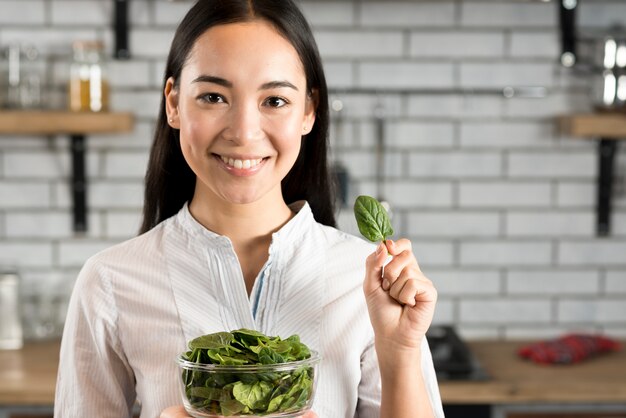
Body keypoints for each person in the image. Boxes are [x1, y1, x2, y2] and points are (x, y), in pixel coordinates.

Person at [54, 1, 444, 417]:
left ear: (309, 110)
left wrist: (399, 350)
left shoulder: (365, 280)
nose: (243, 132)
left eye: (274, 100)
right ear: (173, 104)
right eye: (213, 96)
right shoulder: (110, 282)